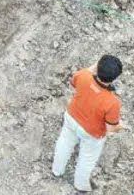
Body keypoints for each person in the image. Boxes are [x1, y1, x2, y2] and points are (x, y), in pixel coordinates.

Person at [52, 55, 124, 192]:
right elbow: (110, 128)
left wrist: (94, 68)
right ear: (114, 78)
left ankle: (57, 170)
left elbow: (74, 81)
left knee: (64, 143)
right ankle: (80, 185)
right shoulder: (113, 102)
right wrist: (121, 125)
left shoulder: (83, 75)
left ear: (97, 66)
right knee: (86, 158)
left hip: (71, 117)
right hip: (91, 132)